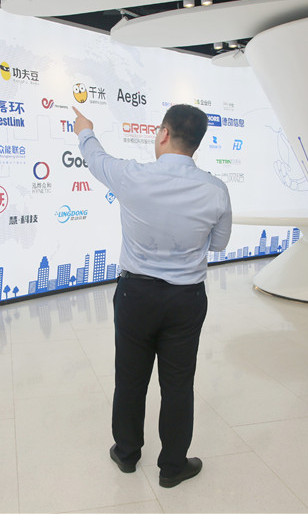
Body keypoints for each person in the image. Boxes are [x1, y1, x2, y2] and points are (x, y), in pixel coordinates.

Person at [72, 104, 232, 487]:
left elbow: (95, 157)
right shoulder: (216, 190)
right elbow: (219, 244)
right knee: (178, 384)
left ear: (163, 133)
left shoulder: (132, 176)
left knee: (130, 378)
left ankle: (127, 454)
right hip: (186, 299)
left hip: (136, 295)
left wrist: (84, 129)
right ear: (196, 144)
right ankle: (173, 467)